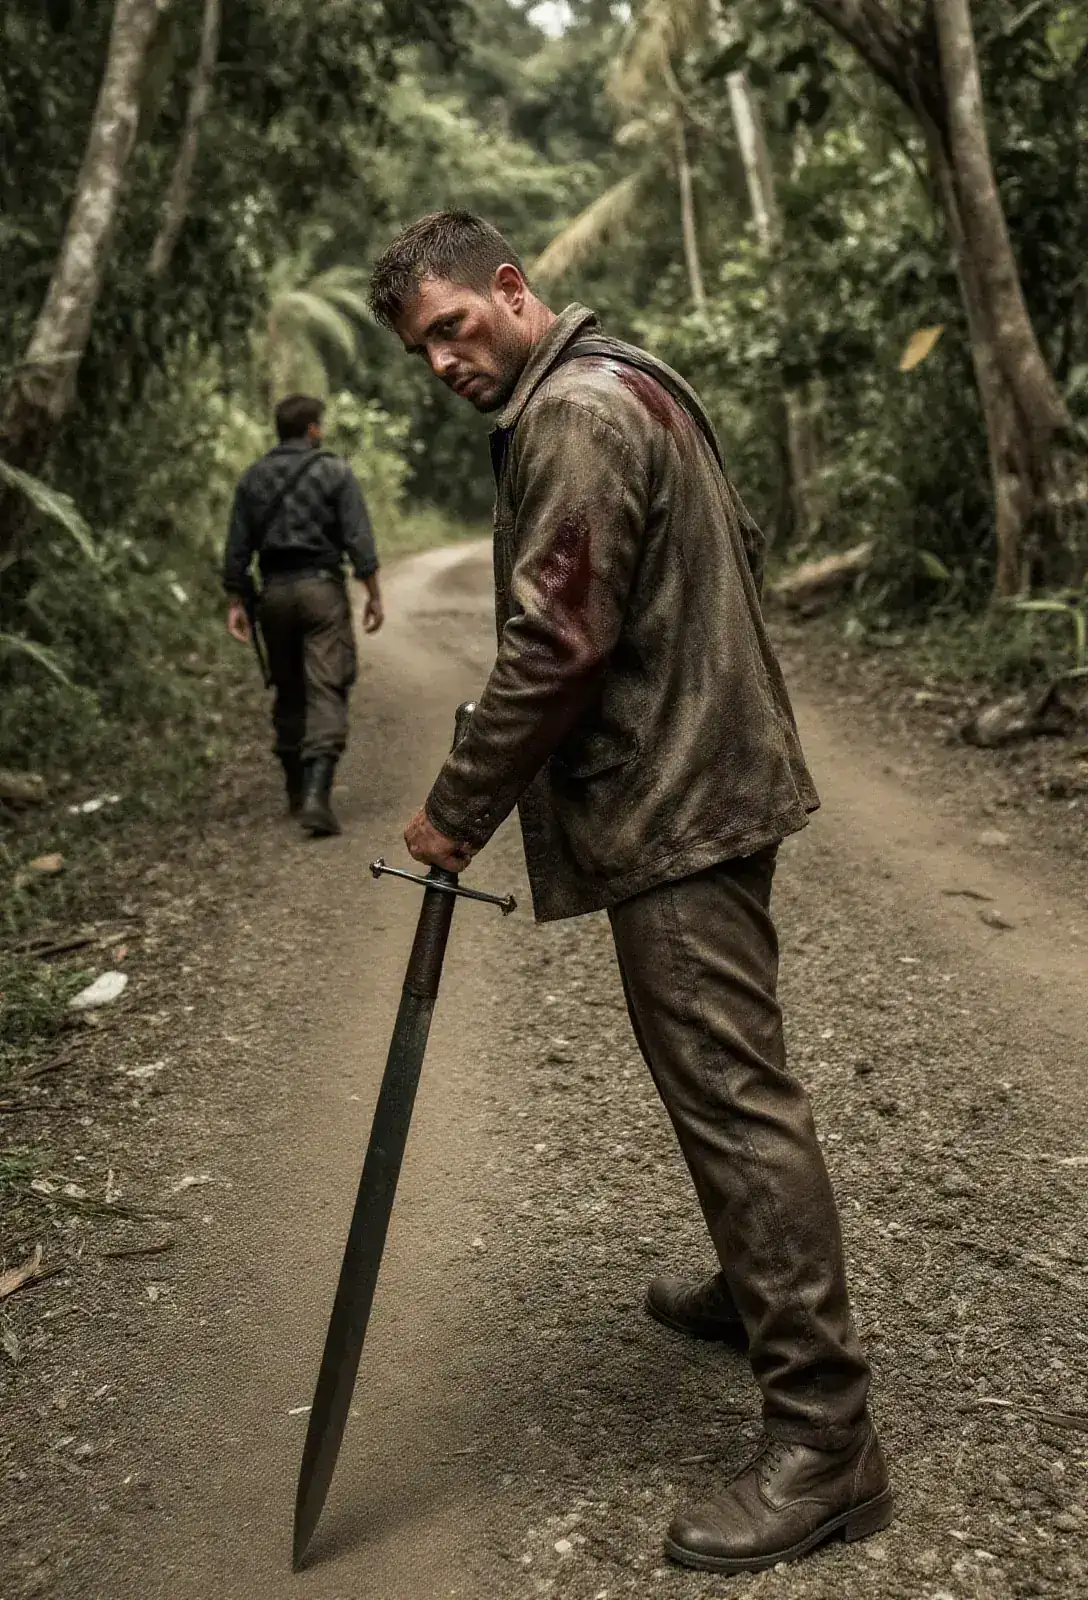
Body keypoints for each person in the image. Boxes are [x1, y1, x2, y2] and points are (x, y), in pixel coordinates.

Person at [367, 211, 893, 1576]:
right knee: (722, 1075)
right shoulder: (633, 374)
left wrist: (452, 812)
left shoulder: (574, 420)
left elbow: (553, 650)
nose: (442, 360)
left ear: (511, 288)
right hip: (715, 767)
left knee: (728, 1089)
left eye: (451, 327)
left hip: (678, 796)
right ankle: (756, 1278)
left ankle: (826, 1437)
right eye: (421, 349)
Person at [222, 394, 384, 837]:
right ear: (312, 428)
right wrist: (372, 594)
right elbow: (358, 538)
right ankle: (317, 795)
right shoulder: (334, 471)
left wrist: (236, 602)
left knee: (289, 688)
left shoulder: (253, 478)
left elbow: (237, 549)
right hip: (321, 591)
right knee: (326, 686)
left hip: (273, 594)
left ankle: (296, 793)